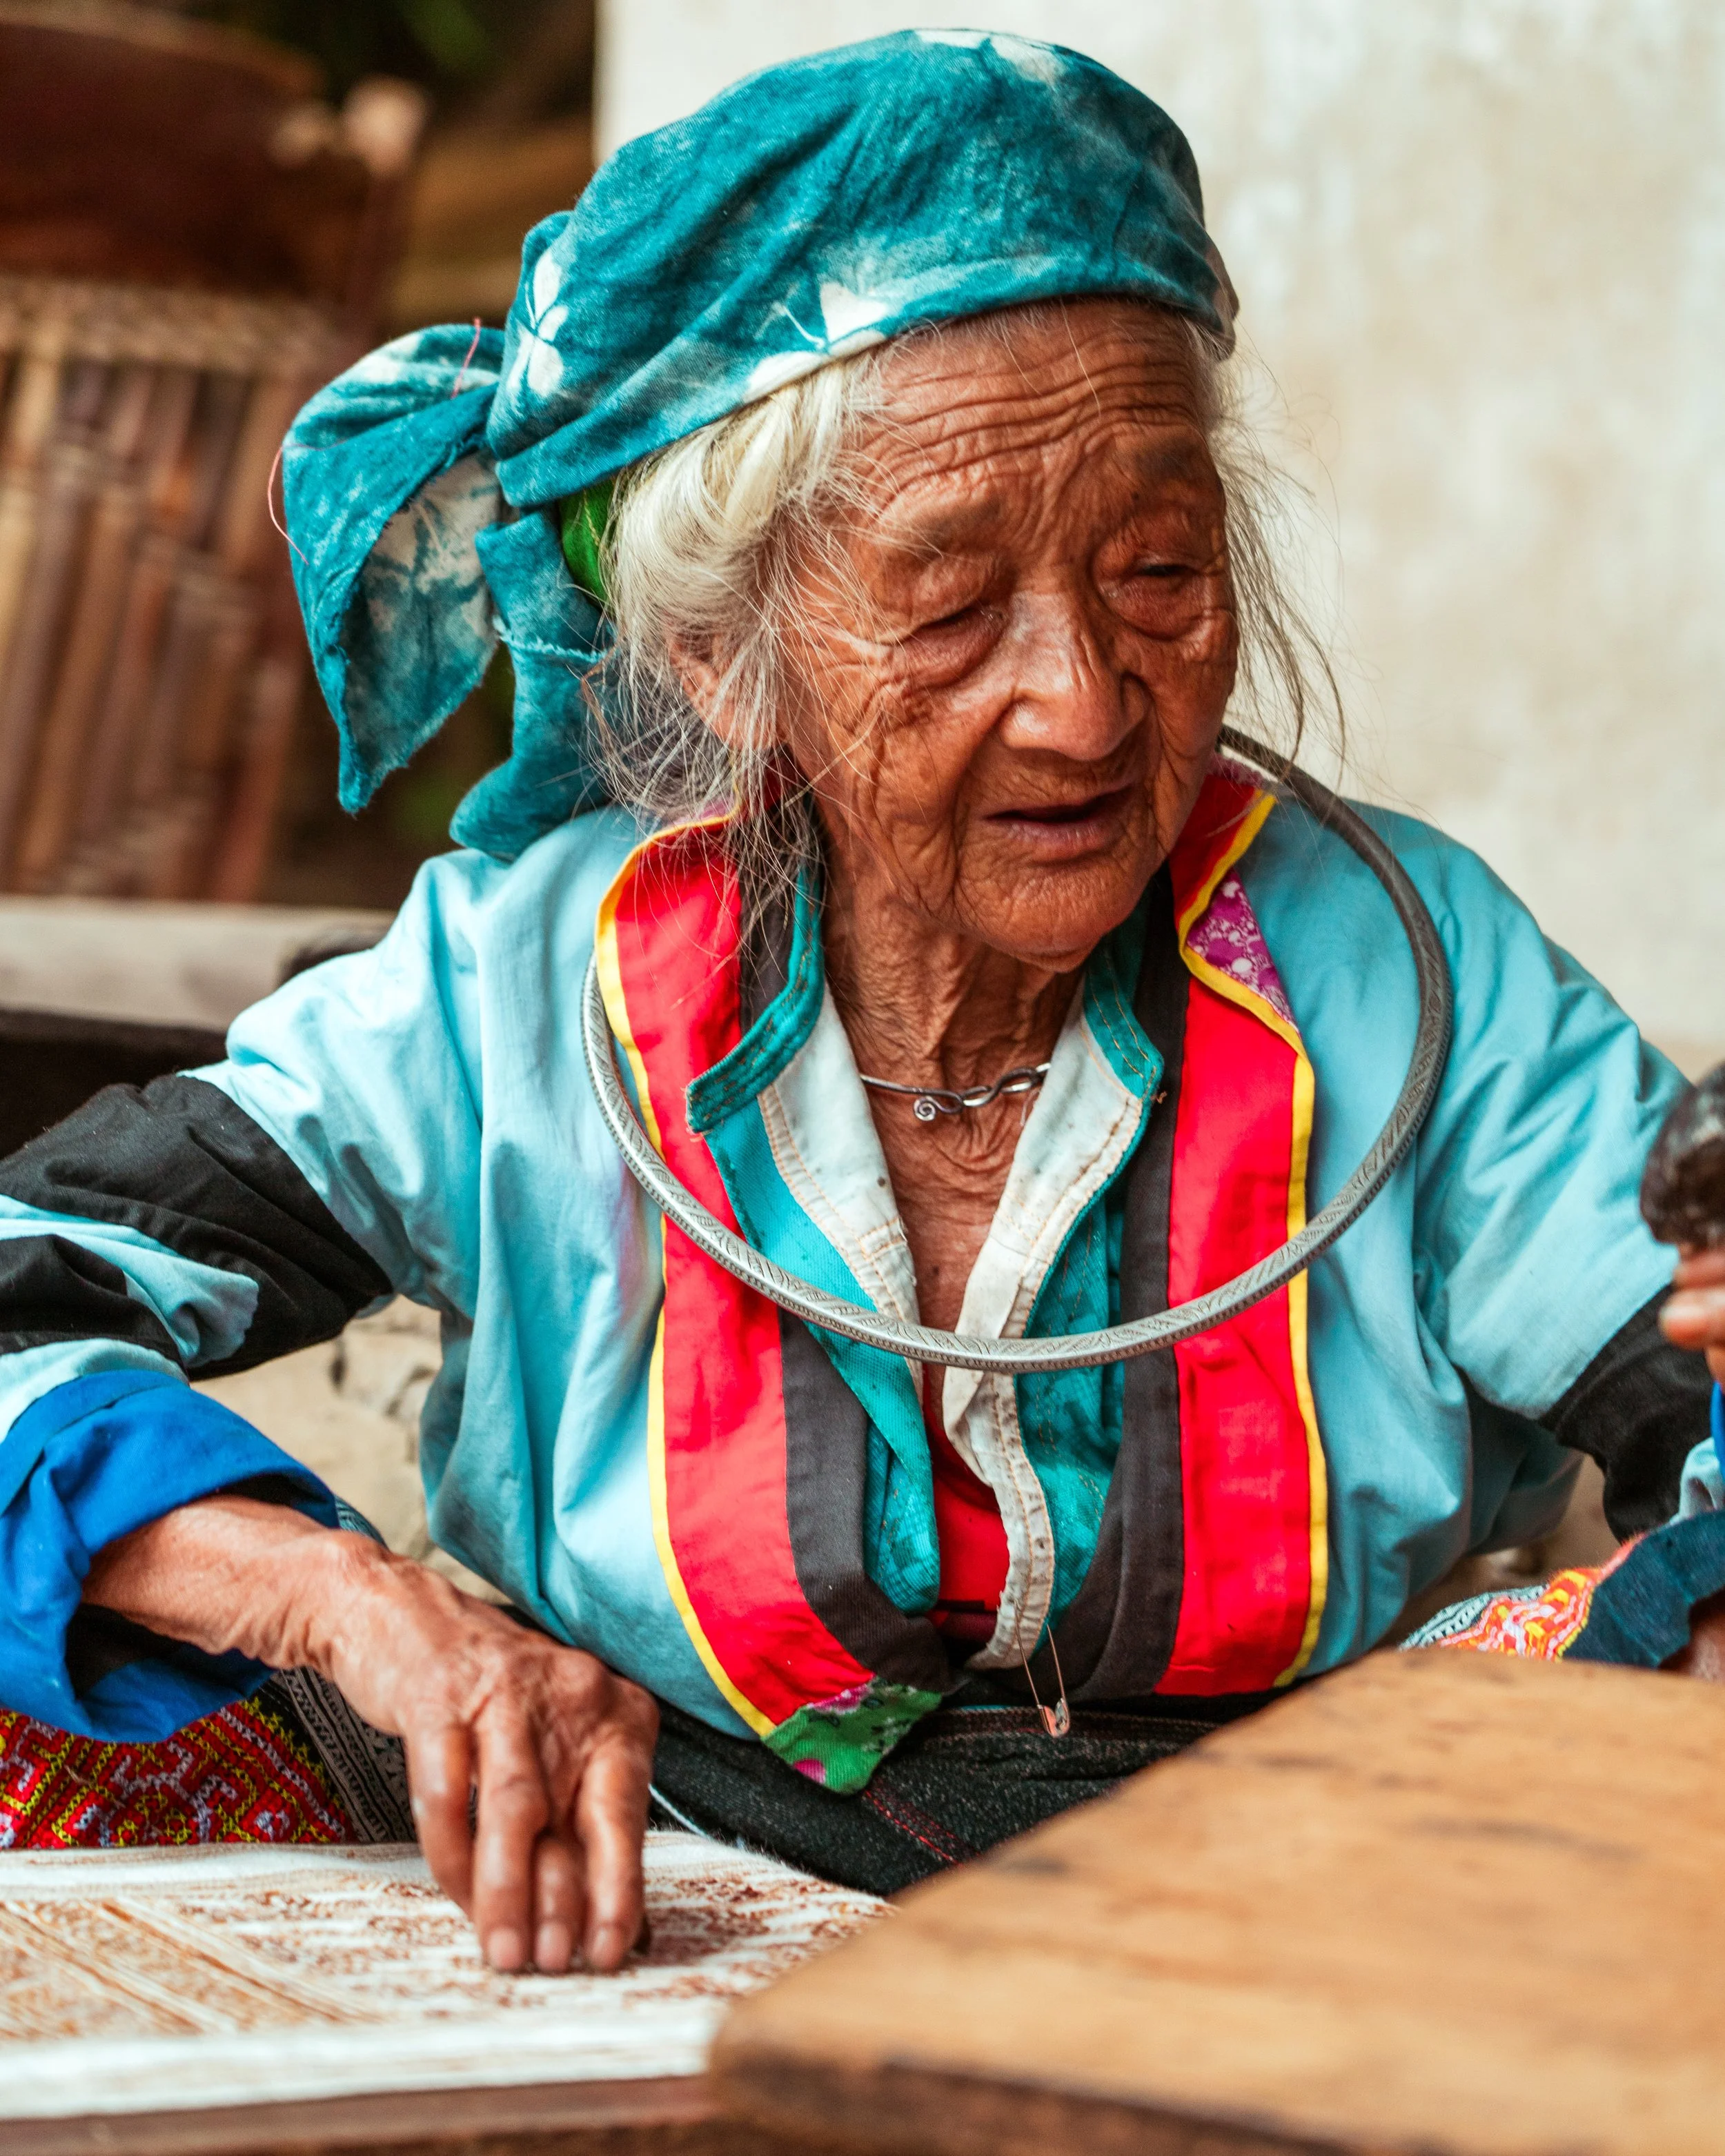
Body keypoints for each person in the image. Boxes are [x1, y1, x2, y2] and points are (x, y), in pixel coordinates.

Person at [3, 32, 1723, 1977]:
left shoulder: (1401, 970)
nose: (1082, 701)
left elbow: (1698, 1406)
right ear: (724, 654)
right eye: (950, 599)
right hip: (656, 1842)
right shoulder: (512, 992)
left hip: (1312, 1872)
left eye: (1158, 568)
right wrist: (347, 1603)